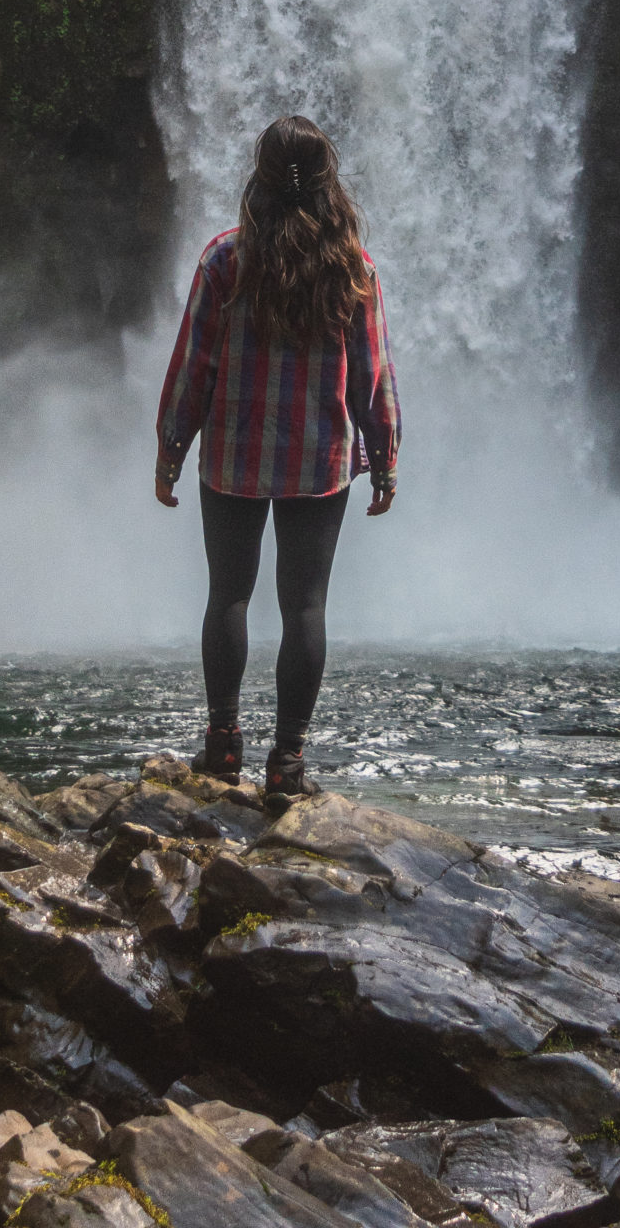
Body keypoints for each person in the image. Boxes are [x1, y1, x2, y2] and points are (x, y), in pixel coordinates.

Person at [154, 113, 401, 813]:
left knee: (228, 595)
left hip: (233, 451)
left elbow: (192, 366)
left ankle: (222, 743)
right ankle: (287, 761)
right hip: (319, 460)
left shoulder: (225, 260)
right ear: (328, 181)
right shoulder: (354, 268)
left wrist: (172, 448)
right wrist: (383, 459)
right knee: (305, 606)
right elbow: (372, 377)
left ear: (260, 176)